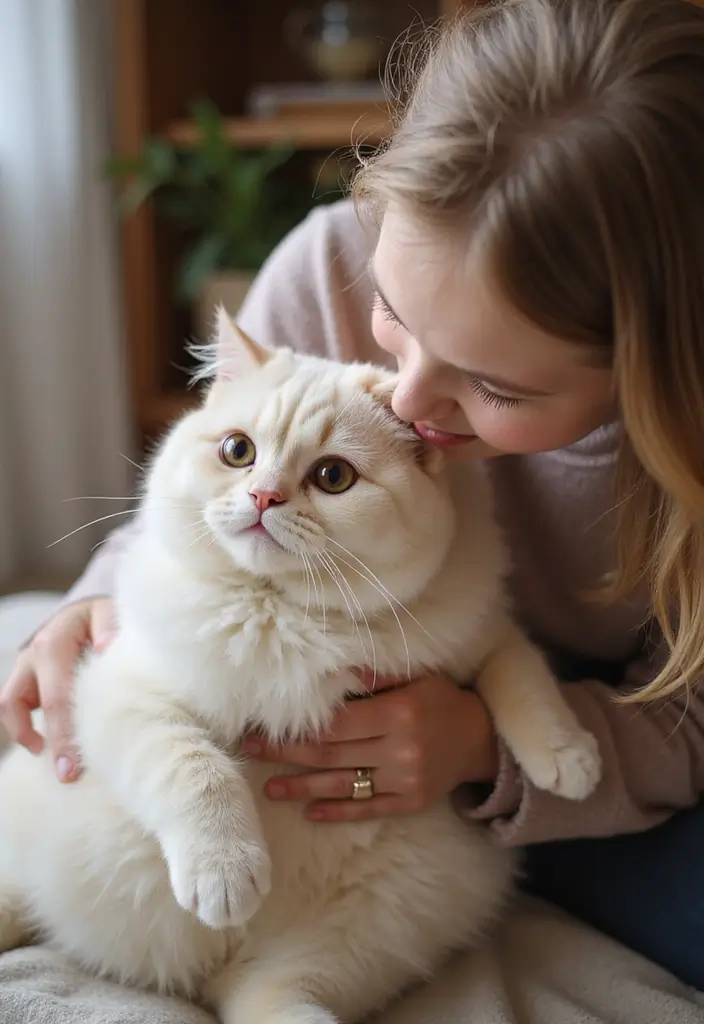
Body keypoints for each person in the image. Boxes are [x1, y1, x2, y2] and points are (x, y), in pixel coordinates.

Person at [3, 0, 704, 993]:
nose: (410, 404)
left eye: (493, 387)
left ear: (650, 376)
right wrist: (89, 608)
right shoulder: (327, 265)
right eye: (392, 316)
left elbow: (690, 718)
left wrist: (478, 747)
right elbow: (206, 496)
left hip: (574, 739)